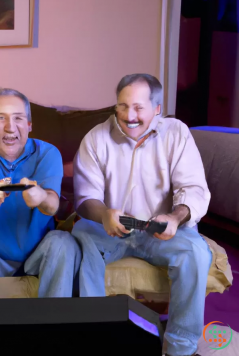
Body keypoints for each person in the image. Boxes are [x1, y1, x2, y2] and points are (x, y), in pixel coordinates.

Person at [72, 74, 211, 356]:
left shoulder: (176, 133)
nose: (129, 116)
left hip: (159, 230)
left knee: (197, 251)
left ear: (157, 109)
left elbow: (194, 189)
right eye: (122, 106)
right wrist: (103, 214)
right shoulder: (95, 138)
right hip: (110, 229)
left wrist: (175, 217)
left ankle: (180, 348)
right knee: (80, 237)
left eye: (138, 107)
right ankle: (96, 341)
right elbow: (86, 198)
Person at [0, 88, 80, 298]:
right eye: (1, 118)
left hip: (38, 252)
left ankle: (54, 325)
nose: (10, 127)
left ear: (29, 125)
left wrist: (40, 196)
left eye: (18, 118)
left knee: (64, 243)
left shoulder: (47, 153)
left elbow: (52, 205)